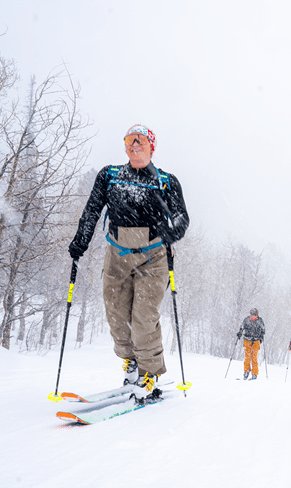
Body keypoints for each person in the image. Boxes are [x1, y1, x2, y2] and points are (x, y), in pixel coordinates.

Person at [68, 125, 189, 404]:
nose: (135, 145)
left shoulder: (166, 181)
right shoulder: (109, 176)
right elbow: (92, 211)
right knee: (116, 317)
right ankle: (131, 363)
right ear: (124, 146)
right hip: (117, 254)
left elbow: (182, 219)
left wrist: (171, 230)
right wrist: (80, 243)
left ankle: (149, 373)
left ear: (152, 147)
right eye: (129, 141)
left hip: (153, 256)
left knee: (143, 318)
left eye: (141, 141)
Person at [237, 308, 265, 380]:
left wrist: (261, 338)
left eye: (254, 316)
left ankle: (254, 373)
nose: (252, 317)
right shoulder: (246, 320)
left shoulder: (260, 321)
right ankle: (246, 371)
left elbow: (263, 330)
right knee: (247, 357)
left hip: (256, 341)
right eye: (251, 315)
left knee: (254, 358)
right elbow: (242, 327)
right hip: (247, 340)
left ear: (257, 315)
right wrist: (240, 333)